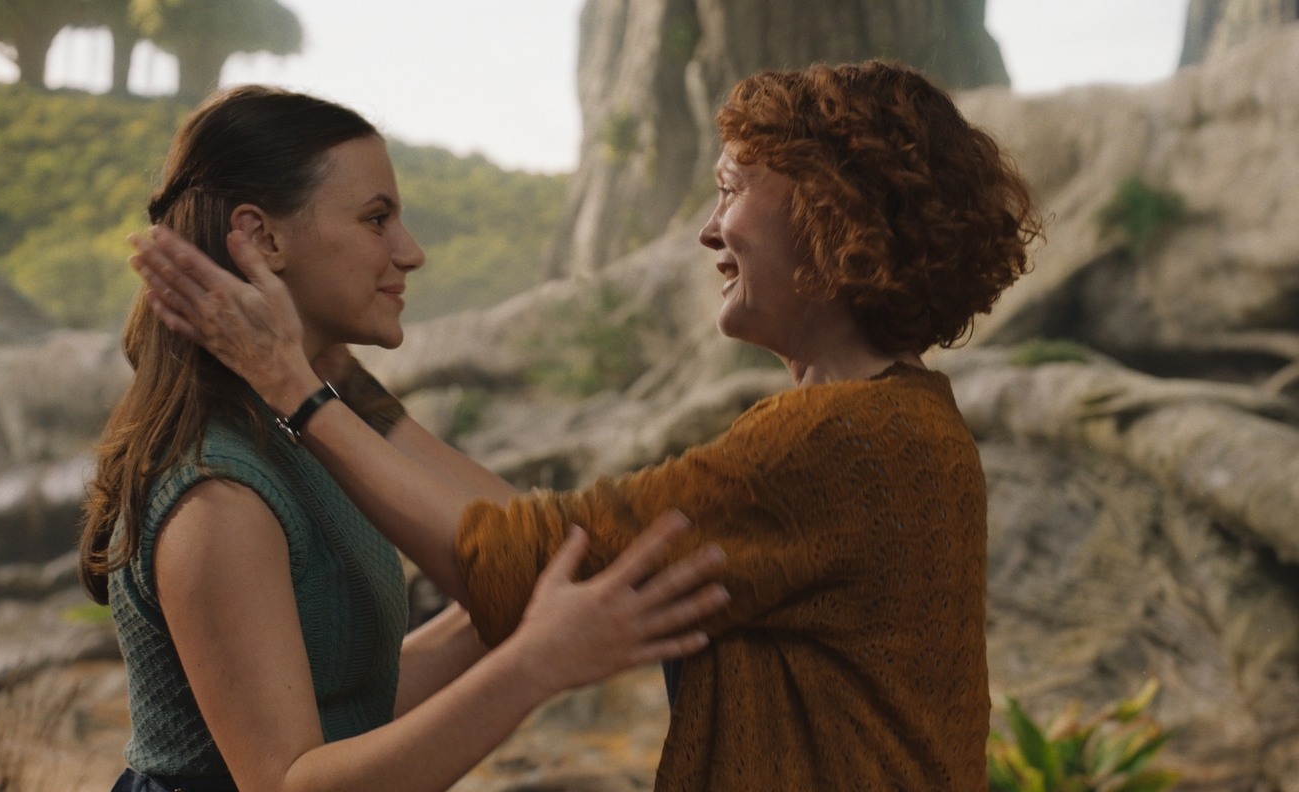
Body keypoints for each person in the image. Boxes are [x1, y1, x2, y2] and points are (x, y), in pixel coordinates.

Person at [133, 61, 1042, 791]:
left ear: (829, 214)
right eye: (377, 219)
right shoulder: (896, 424)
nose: (708, 231)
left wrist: (301, 390)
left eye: (731, 191)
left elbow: (539, 561)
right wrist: (325, 384)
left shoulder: (838, 443)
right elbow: (545, 559)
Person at [79, 85, 733, 792]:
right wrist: (535, 665)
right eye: (376, 219)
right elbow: (284, 783)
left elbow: (372, 691)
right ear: (264, 238)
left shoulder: (303, 434)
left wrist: (345, 395)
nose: (410, 253)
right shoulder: (218, 495)